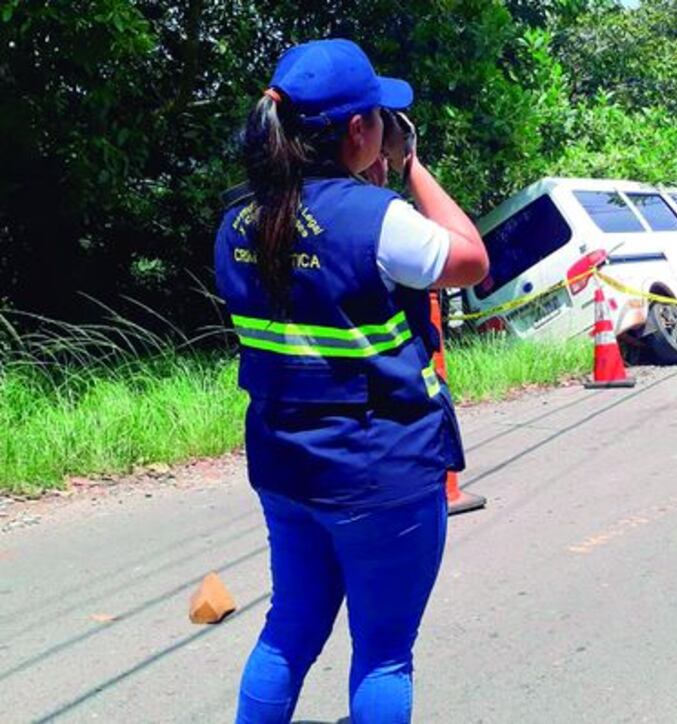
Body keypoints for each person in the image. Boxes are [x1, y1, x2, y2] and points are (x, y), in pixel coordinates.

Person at [214, 38, 488, 723]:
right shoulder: (380, 220)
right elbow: (471, 258)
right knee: (385, 653)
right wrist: (413, 166)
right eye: (380, 119)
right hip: (377, 469)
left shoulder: (237, 221)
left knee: (291, 627)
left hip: (285, 465)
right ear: (360, 131)